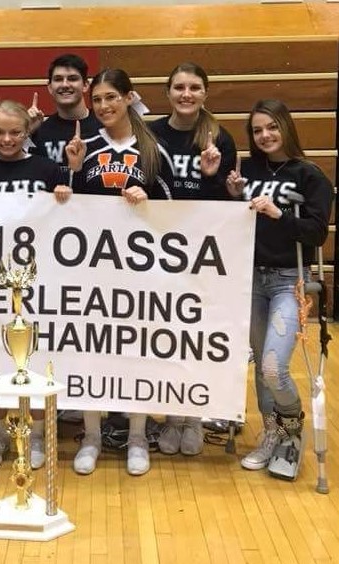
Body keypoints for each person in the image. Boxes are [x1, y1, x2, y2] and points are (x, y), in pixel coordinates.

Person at [65, 68, 174, 476]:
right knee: (92, 353)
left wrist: (149, 198)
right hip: (92, 272)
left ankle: (136, 437)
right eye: (98, 100)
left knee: (136, 354)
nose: (105, 106)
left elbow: (175, 206)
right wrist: (71, 173)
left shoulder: (152, 149)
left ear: (130, 98)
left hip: (139, 273)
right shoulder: (85, 148)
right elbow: (66, 211)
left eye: (112, 97)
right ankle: (92, 436)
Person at [226, 99, 332, 479]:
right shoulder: (248, 168)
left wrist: (279, 214)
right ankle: (270, 435)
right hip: (251, 277)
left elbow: (317, 232)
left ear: (286, 127)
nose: (265, 135)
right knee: (259, 364)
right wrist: (234, 193)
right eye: (257, 130)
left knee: (273, 366)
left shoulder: (310, 175)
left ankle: (291, 428)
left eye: (271, 127)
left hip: (289, 279)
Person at [0, 100, 72, 468]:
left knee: (35, 356)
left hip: (40, 277)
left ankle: (38, 437)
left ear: (28, 131)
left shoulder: (46, 167)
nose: (7, 139)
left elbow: (71, 217)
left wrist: (63, 196)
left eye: (15, 132)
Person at [149, 62, 237, 456]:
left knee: (197, 337)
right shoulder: (150, 133)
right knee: (165, 337)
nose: (187, 94)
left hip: (203, 254)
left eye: (195, 88)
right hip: (157, 250)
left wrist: (210, 177)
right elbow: (145, 187)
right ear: (168, 93)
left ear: (205, 93)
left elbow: (225, 202)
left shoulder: (221, 137)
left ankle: (195, 417)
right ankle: (170, 417)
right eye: (179, 87)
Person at [28, 53, 101, 172]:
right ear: (50, 88)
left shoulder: (104, 125)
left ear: (85, 85)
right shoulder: (40, 131)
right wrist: (27, 133)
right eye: (58, 79)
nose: (65, 84)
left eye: (72, 78)